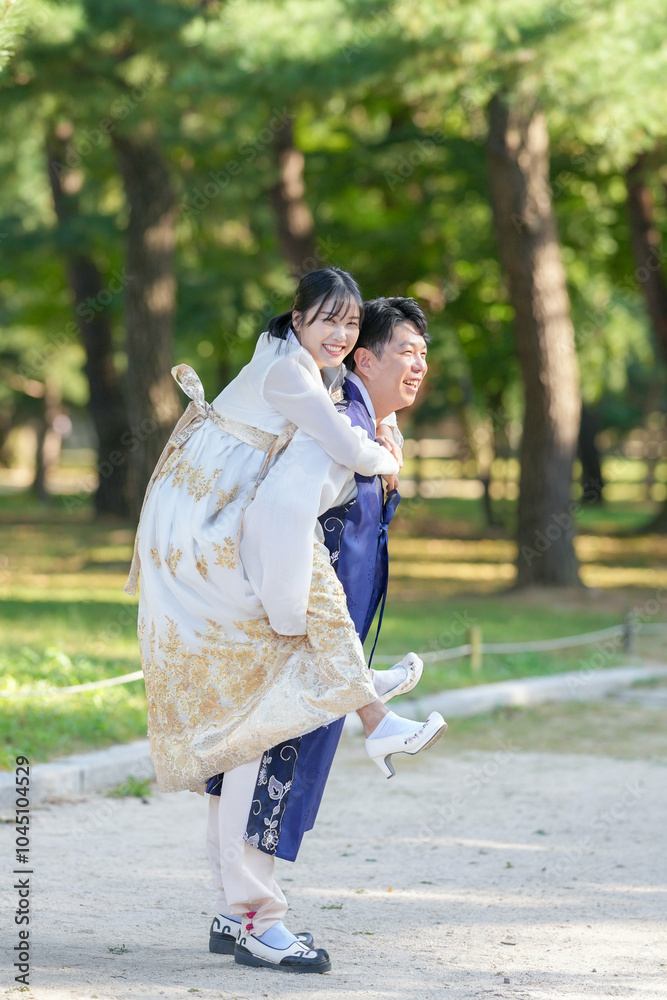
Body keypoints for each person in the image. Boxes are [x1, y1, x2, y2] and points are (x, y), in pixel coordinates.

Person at [125, 268, 444, 973]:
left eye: (350, 324)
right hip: (259, 598)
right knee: (263, 760)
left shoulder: (345, 407)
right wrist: (286, 616)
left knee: (246, 753)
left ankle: (236, 909)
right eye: (407, 351)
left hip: (270, 603)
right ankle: (256, 919)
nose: (419, 366)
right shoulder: (329, 420)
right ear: (363, 359)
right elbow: (277, 512)